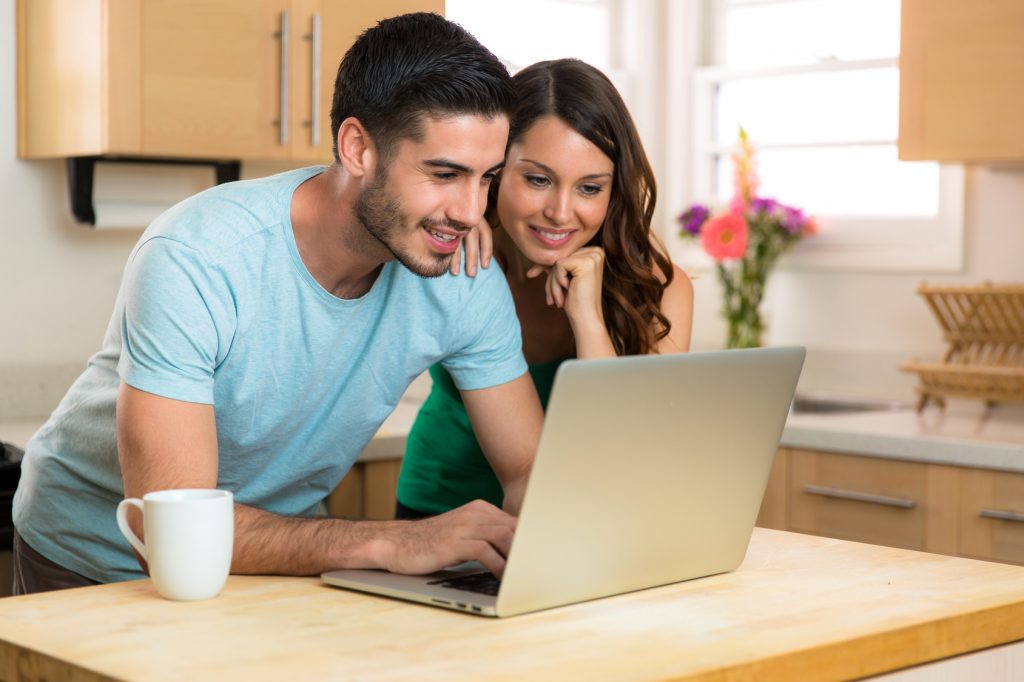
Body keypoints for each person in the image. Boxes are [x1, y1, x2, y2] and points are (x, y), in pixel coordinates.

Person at [11, 12, 544, 595]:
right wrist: (394, 540)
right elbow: (169, 531)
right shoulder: (198, 256)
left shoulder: (462, 273)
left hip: (283, 554)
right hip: (102, 557)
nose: (471, 211)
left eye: (486, 178)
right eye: (445, 173)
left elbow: (527, 472)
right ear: (358, 147)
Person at [396, 59, 694, 518]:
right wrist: (457, 220)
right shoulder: (461, 250)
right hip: (440, 512)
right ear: (496, 169)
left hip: (575, 523)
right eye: (538, 179)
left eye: (590, 188)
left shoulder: (657, 287)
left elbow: (632, 457)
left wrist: (588, 320)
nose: (560, 212)